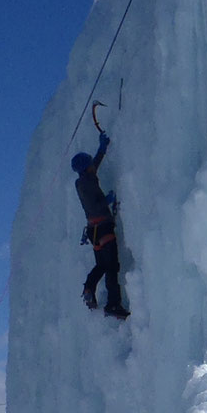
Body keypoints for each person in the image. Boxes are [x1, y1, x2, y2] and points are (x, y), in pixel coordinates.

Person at [71, 126, 128, 319]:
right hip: (103, 227)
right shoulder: (88, 182)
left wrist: (102, 149)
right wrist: (108, 200)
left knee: (101, 266)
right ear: (86, 167)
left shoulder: (83, 180)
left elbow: (95, 165)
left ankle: (89, 287)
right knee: (111, 267)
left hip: (93, 231)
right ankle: (113, 304)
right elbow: (95, 204)